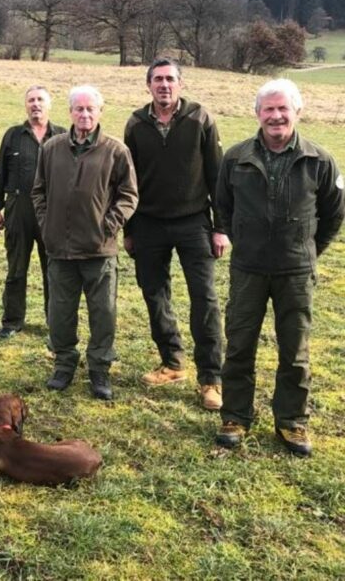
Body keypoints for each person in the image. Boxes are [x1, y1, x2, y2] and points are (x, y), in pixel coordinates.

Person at [214, 79, 343, 457]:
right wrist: (241, 238)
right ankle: (235, 416)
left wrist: (308, 250)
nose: (276, 116)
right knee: (239, 345)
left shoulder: (319, 160)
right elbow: (223, 206)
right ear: (257, 114)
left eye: (283, 108)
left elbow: (334, 213)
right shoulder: (235, 158)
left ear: (297, 112)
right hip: (248, 269)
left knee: (295, 351)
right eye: (268, 109)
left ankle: (291, 421)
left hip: (296, 273)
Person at [124, 58, 227, 411]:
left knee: (205, 299)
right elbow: (128, 182)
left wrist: (221, 228)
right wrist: (130, 228)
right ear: (148, 85)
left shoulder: (201, 119)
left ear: (180, 84)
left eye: (170, 79)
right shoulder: (136, 124)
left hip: (194, 222)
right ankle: (171, 363)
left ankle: (211, 378)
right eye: (157, 80)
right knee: (154, 295)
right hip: (149, 223)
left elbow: (218, 177)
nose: (164, 85)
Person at [31, 85, 138, 400]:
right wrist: (46, 223)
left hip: (98, 251)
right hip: (60, 250)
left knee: (103, 313)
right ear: (70, 113)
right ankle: (63, 365)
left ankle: (99, 370)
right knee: (60, 313)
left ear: (100, 112)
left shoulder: (115, 151)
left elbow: (129, 195)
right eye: (79, 109)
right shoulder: (51, 148)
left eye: (91, 109)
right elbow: (38, 190)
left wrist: (109, 225)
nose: (85, 114)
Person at [0, 85, 65, 341]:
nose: (36, 104)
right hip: (18, 208)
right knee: (16, 269)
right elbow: (0, 172)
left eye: (40, 100)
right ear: (26, 105)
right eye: (31, 100)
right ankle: (12, 322)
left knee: (53, 271)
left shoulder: (63, 135)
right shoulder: (13, 135)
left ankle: (54, 322)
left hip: (52, 213)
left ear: (49, 104)